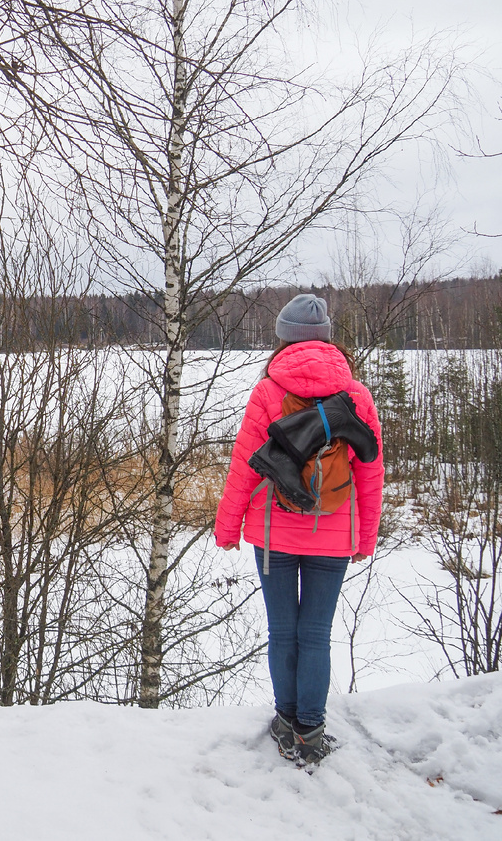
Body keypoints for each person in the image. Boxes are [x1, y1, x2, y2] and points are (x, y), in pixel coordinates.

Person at [214, 293, 384, 767]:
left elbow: (244, 468)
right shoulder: (357, 397)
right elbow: (371, 472)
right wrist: (363, 537)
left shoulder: (268, 392)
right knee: (315, 634)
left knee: (283, 630)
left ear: (283, 339)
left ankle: (286, 721)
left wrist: (228, 527)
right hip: (333, 534)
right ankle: (311, 729)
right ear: (328, 337)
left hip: (274, 533)